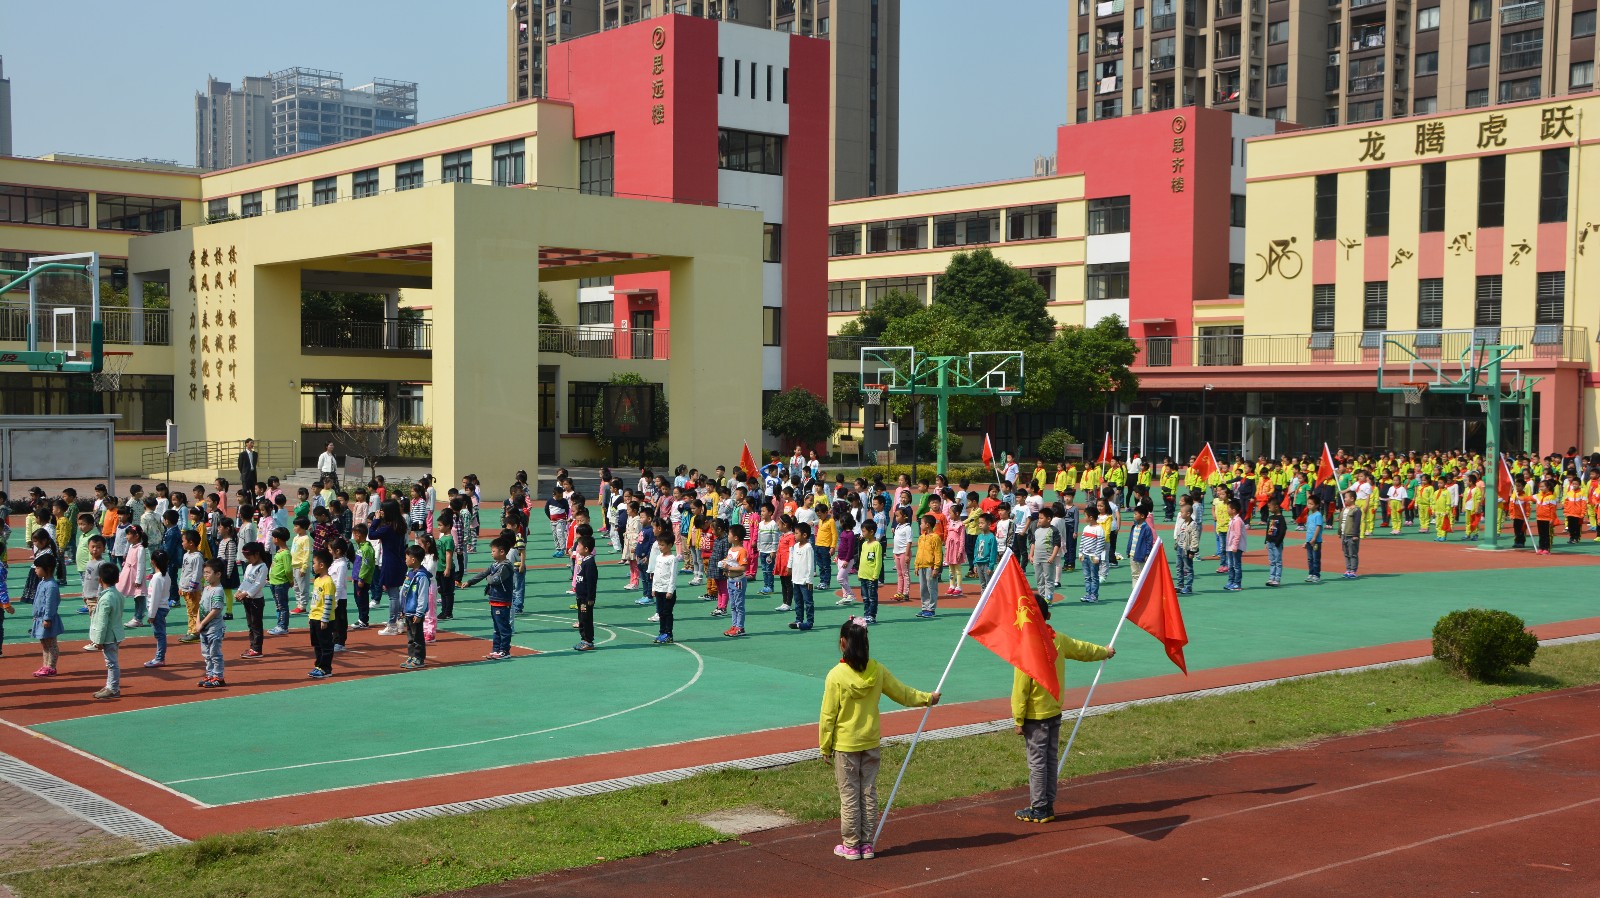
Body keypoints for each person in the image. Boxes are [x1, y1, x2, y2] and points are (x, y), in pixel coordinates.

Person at [818, 617, 941, 862]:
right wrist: (927, 698)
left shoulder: (836, 675)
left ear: (843, 643)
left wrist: (825, 745)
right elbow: (903, 693)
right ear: (866, 643)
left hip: (846, 745)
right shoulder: (877, 670)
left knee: (850, 795)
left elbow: (828, 714)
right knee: (868, 792)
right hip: (871, 742)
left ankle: (851, 844)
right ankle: (866, 843)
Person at [1012, 598, 1113, 823]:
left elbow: (1021, 689)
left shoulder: (1026, 649)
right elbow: (1082, 649)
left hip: (1034, 716)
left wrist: (1018, 719)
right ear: (1048, 618)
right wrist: (1104, 652)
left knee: (1037, 762)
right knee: (1050, 758)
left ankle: (1039, 808)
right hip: (1054, 712)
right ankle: (1048, 804)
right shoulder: (1059, 641)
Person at [466, 535, 517, 659]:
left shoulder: (505, 566)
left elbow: (495, 579)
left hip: (502, 601)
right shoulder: (494, 565)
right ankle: (496, 649)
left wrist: (488, 578)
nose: (491, 553)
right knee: (496, 628)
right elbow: (483, 573)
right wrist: (470, 581)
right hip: (494, 600)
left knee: (503, 627)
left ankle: (504, 650)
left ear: (502, 552)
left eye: (493, 551)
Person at [88, 566, 125, 700]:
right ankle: (110, 686)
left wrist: (98, 640)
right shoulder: (117, 594)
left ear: (100, 580)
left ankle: (113, 689)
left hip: (108, 636)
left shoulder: (106, 599)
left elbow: (103, 623)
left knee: (111, 663)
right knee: (111, 662)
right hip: (116, 633)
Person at [196, 559, 227, 688]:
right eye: (204, 573)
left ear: (218, 574)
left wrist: (202, 623)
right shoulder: (206, 588)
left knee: (215, 653)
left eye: (208, 573)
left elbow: (216, 610)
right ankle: (209, 674)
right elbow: (200, 606)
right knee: (206, 653)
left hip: (214, 628)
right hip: (204, 628)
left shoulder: (218, 590)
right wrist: (198, 622)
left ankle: (218, 677)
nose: (205, 575)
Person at [399, 545, 432, 668]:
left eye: (406, 557)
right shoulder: (410, 574)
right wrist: (402, 609)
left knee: (417, 636)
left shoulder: (422, 577)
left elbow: (422, 597)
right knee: (410, 637)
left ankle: (419, 658)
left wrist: (419, 613)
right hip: (408, 611)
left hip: (415, 613)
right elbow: (404, 592)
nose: (405, 560)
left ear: (413, 560)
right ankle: (412, 655)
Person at [572, 535, 599, 652]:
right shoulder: (584, 561)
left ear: (586, 549)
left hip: (586, 598)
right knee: (581, 618)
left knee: (586, 618)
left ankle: (588, 640)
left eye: (579, 546)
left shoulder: (590, 563)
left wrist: (590, 597)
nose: (577, 548)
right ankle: (584, 638)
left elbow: (592, 582)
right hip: (581, 596)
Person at [788, 522, 816, 631]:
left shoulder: (808, 547)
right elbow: (792, 558)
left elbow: (810, 565)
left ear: (804, 535)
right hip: (796, 579)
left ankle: (809, 622)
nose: (794, 535)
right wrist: (789, 568)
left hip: (805, 581)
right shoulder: (795, 546)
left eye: (796, 533)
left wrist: (809, 580)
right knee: (798, 601)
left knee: (808, 602)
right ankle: (799, 620)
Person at [913, 514, 942, 619]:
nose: (920, 525)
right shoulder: (921, 537)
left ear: (928, 525)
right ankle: (925, 607)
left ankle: (931, 609)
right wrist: (916, 565)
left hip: (931, 567)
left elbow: (938, 553)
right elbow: (918, 552)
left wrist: (936, 567)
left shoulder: (935, 537)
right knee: (923, 588)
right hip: (921, 566)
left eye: (922, 523)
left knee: (931, 587)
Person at [857, 522, 884, 626]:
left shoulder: (877, 545)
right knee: (865, 597)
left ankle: (872, 615)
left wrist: (875, 575)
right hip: (863, 575)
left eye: (864, 531)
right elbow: (862, 559)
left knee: (872, 597)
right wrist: (859, 573)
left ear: (871, 532)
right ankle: (866, 614)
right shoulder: (864, 544)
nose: (862, 533)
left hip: (871, 576)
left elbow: (878, 561)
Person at [1077, 507, 1105, 604]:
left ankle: (1094, 595)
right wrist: (1080, 552)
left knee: (1094, 576)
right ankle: (1088, 593)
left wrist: (1097, 556)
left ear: (1091, 517)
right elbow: (1082, 542)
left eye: (1085, 516)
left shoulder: (1099, 529)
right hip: (1085, 555)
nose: (1084, 517)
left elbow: (1100, 544)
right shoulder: (1086, 528)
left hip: (1093, 556)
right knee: (1087, 576)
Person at [1173, 500, 1199, 595]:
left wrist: (1192, 551)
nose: (1180, 514)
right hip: (1180, 548)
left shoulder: (1193, 524)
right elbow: (1180, 534)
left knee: (1188, 568)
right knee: (1179, 566)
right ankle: (1180, 585)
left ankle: (1188, 586)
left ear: (1188, 514)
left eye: (1182, 512)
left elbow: (1195, 538)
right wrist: (1176, 543)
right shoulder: (1183, 523)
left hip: (1187, 549)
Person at [1127, 507, 1154, 581]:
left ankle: (1143, 592)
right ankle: (1135, 592)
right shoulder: (1134, 527)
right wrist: (1128, 550)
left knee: (1143, 575)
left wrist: (1147, 554)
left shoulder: (1146, 528)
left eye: (1135, 514)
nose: (1134, 516)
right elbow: (1131, 540)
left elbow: (1149, 542)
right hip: (1133, 554)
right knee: (1134, 574)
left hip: (1141, 555)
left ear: (1142, 516)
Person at [1303, 495, 1325, 584]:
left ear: (1316, 505)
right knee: (1310, 558)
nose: (1309, 505)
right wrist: (1306, 541)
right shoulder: (1309, 516)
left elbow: (1318, 527)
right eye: (1308, 503)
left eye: (1311, 504)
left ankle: (1316, 575)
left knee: (1316, 558)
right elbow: (1309, 529)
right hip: (1309, 541)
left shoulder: (1318, 515)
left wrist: (1314, 538)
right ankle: (1311, 573)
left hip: (1316, 542)